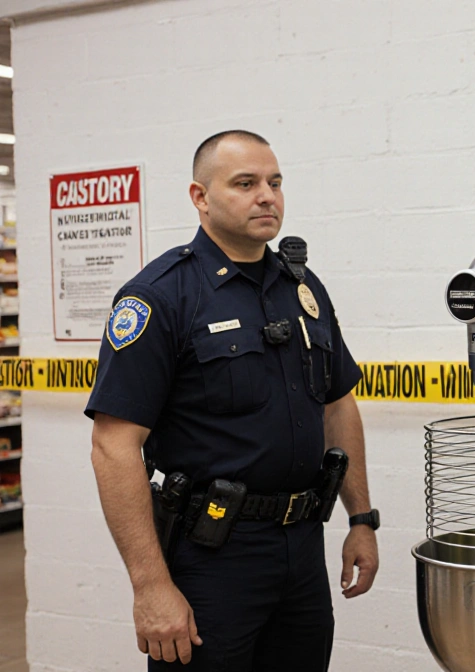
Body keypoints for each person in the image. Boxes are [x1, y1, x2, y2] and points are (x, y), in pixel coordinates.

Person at [87, 130, 379, 671]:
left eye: (274, 182)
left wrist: (361, 518)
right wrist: (150, 587)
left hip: (301, 547)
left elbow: (337, 404)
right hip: (212, 555)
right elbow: (113, 446)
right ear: (200, 197)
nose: (266, 196)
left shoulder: (302, 287)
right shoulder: (159, 296)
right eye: (245, 183)